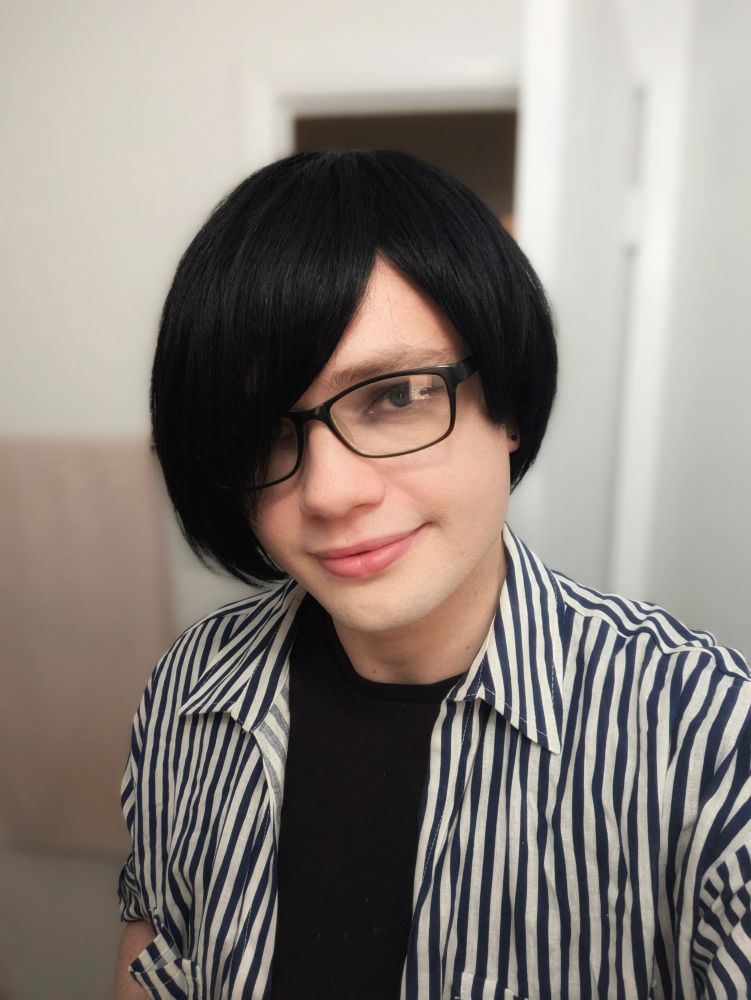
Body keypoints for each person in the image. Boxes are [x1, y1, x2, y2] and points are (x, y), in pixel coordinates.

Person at [115, 150, 751, 1000]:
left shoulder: (700, 731)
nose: (330, 491)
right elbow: (153, 945)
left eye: (395, 395)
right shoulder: (191, 689)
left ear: (510, 406)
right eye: (265, 432)